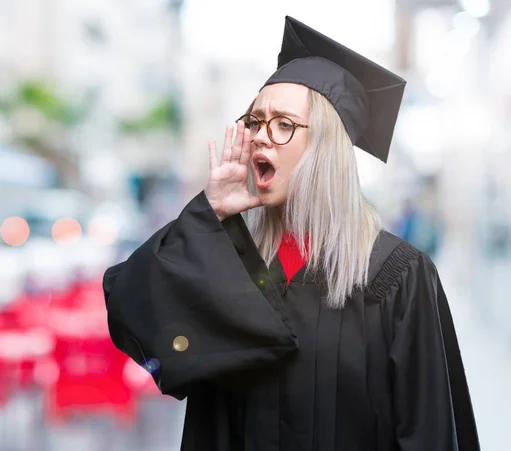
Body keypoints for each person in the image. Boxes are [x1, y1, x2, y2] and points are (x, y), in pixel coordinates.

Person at [103, 16, 480, 451]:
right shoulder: (230, 265)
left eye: (283, 124)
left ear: (325, 149)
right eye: (255, 121)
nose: (262, 136)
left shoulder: (397, 277)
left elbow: (430, 434)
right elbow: (130, 310)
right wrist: (210, 212)